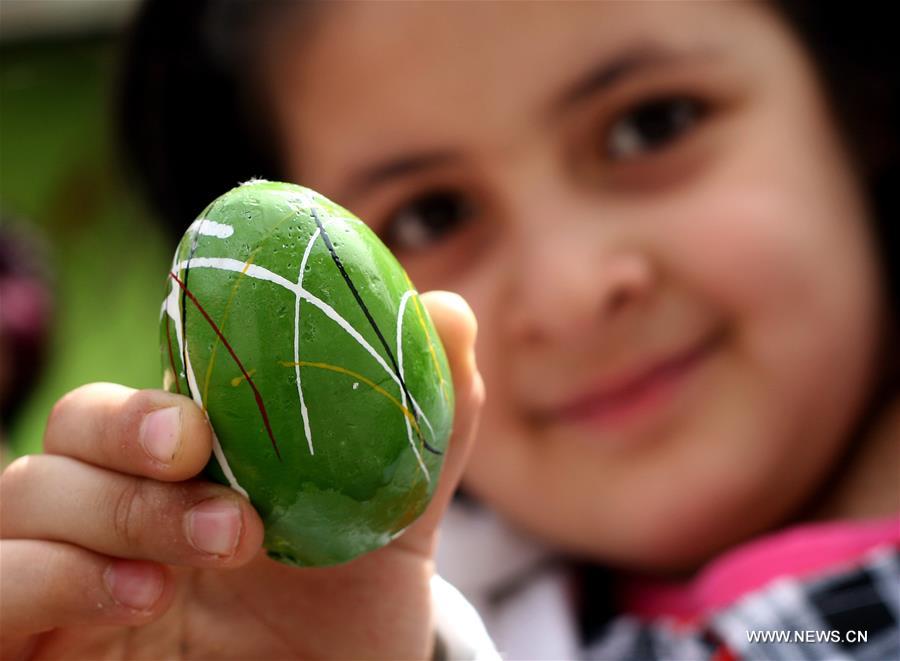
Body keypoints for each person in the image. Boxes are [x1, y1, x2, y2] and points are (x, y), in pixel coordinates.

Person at [2, 1, 897, 659]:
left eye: (649, 125)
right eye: (431, 216)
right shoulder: (375, 618)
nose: (569, 291)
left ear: (860, 101)